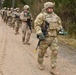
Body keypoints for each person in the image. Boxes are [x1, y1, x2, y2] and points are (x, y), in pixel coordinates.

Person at [34, 2, 63, 75]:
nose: (51, 9)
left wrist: (60, 30)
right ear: (46, 8)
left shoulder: (55, 16)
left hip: (54, 37)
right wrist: (40, 33)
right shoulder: (41, 16)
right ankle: (39, 63)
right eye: (49, 8)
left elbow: (59, 24)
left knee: (55, 52)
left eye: (52, 8)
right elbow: (37, 25)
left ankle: (53, 68)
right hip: (45, 38)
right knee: (42, 52)